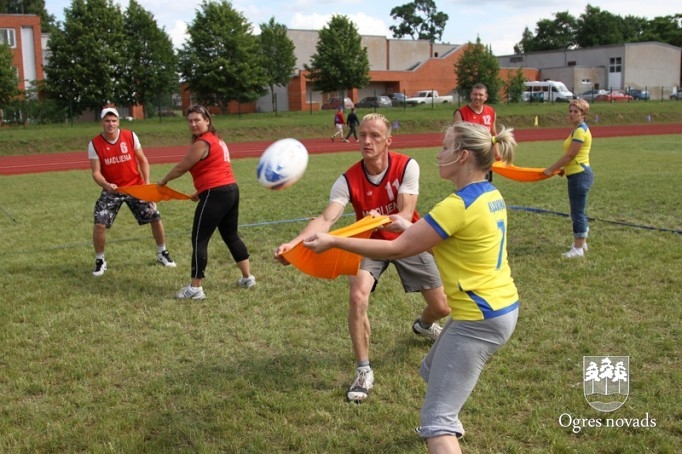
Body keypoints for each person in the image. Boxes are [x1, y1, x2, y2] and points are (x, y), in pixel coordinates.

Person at [303, 121, 519, 453]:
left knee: (436, 424)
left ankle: (444, 426)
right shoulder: (490, 194)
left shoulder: (456, 206)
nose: (439, 153)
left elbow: (396, 249)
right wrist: (409, 224)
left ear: (462, 156)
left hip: (479, 318)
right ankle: (447, 408)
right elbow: (450, 242)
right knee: (432, 368)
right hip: (497, 308)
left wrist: (334, 241)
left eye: (445, 148)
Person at [275, 113, 450, 403]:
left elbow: (406, 215)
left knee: (442, 307)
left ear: (388, 141)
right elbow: (326, 218)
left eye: (375, 136)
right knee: (357, 297)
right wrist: (293, 245)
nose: (366, 141)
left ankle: (422, 325)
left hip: (407, 238)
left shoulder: (407, 165)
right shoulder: (347, 179)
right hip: (368, 244)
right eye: (363, 135)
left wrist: (381, 218)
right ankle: (364, 370)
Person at [158, 105, 255, 299]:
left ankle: (195, 288)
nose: (193, 124)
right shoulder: (217, 140)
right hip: (230, 191)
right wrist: (201, 191)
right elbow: (215, 168)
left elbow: (181, 168)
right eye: (190, 120)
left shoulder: (202, 143)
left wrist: (163, 181)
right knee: (231, 236)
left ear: (207, 121)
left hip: (217, 193)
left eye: (197, 120)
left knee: (199, 239)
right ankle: (248, 277)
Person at [88, 106, 176, 277]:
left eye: (114, 120)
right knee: (99, 223)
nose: (111, 124)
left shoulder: (130, 136)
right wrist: (106, 185)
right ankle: (100, 261)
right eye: (107, 121)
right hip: (113, 190)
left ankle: (162, 253)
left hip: (135, 187)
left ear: (118, 122)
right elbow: (96, 173)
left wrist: (147, 184)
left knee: (155, 217)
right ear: (102, 123)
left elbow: (143, 160)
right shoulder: (94, 144)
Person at [543, 98, 594, 258]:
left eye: (576, 111)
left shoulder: (580, 131)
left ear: (583, 114)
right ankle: (582, 243)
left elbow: (571, 154)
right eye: (570, 111)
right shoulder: (578, 129)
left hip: (580, 175)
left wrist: (551, 169)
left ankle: (578, 249)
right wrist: (565, 168)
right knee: (579, 211)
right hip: (577, 172)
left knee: (577, 212)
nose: (571, 114)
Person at [452, 83, 500, 182]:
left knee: (485, 184)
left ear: (486, 97)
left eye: (481, 95)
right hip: (468, 159)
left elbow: (493, 133)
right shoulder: (461, 113)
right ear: (470, 95)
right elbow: (457, 136)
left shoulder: (491, 112)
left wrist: (497, 153)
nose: (477, 97)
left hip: (485, 157)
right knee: (468, 186)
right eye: (475, 94)